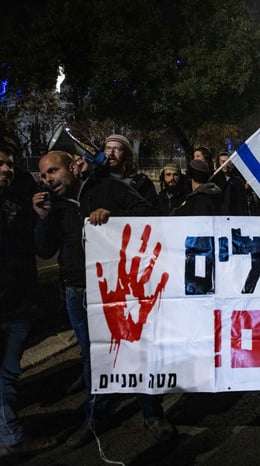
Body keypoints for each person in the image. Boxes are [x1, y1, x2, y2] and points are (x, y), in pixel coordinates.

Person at [33, 151, 176, 448]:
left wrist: (113, 218)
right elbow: (45, 251)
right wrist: (43, 220)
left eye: (54, 171)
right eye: (44, 175)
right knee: (93, 358)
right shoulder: (53, 206)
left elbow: (148, 215)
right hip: (77, 292)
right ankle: (94, 418)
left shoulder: (108, 188)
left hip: (117, 287)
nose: (49, 179)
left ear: (73, 167)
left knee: (135, 350)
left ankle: (152, 414)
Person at [0, 144, 53, 457]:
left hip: (18, 301)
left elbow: (38, 247)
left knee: (8, 373)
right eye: (1, 165)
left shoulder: (19, 196)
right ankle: (12, 439)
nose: (7, 169)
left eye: (10, 164)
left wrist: (40, 217)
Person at [104, 134, 159, 209]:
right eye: (108, 148)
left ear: (127, 153)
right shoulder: (96, 181)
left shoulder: (143, 183)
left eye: (117, 149)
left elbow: (151, 211)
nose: (111, 153)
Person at [213, 151, 248, 216]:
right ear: (218, 163)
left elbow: (243, 204)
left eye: (227, 162)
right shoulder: (213, 181)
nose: (225, 165)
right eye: (222, 162)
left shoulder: (238, 181)